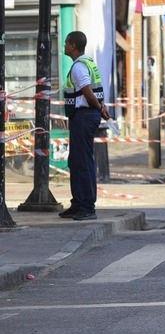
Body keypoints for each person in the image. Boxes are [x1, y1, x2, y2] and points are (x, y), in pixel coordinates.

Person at [60, 31, 110, 221]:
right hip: (86, 115)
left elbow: (88, 92)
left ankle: (87, 206)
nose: (64, 46)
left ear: (73, 45)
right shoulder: (88, 63)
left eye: (66, 43)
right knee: (76, 160)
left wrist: (99, 107)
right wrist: (101, 108)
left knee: (82, 162)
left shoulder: (79, 67)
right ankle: (78, 203)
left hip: (84, 115)